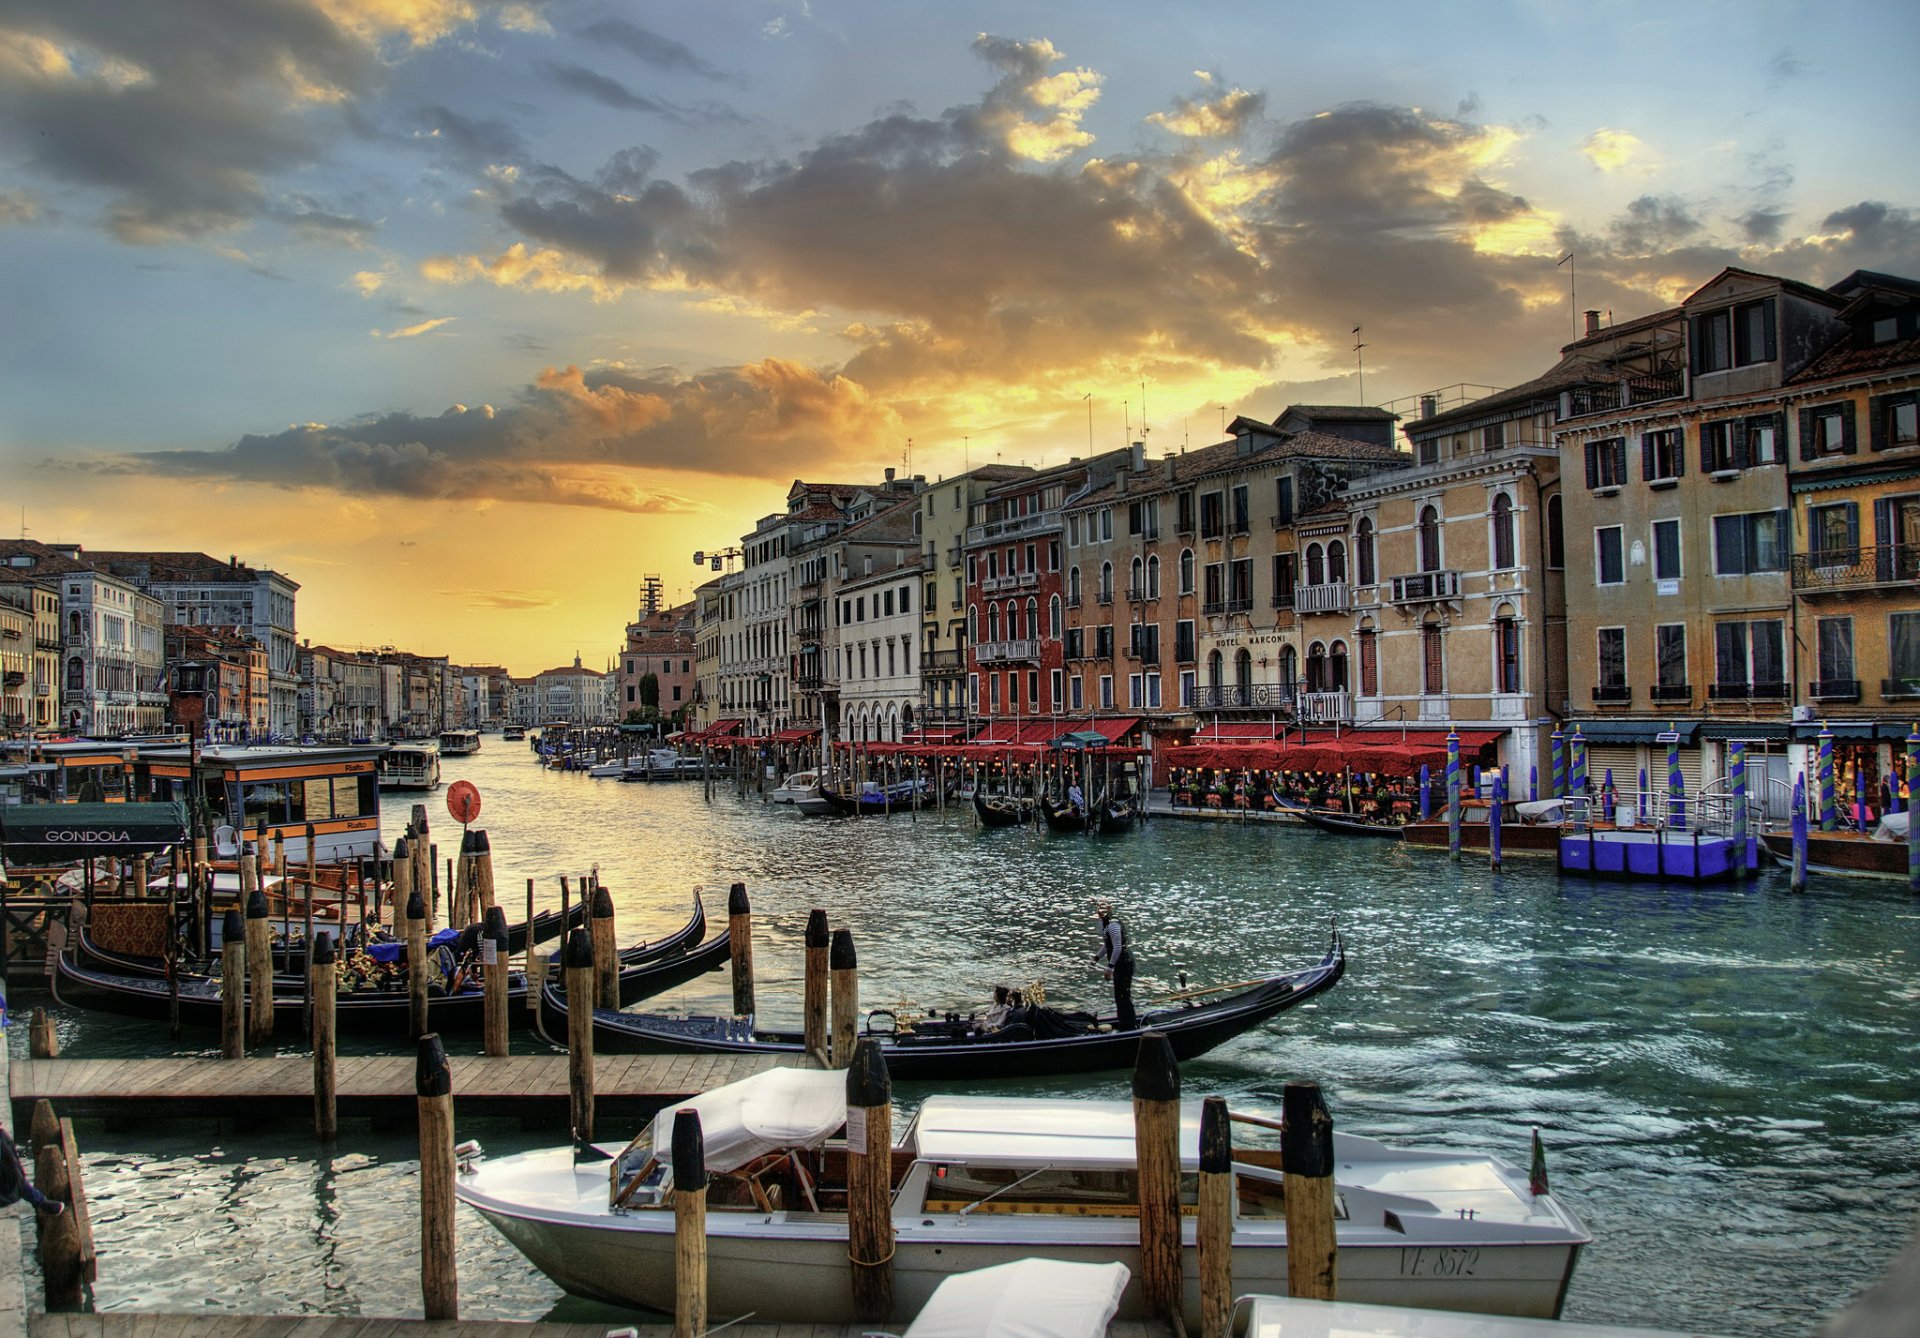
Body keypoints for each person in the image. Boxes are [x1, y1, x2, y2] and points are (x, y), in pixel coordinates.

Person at [0, 1123, 63, 1219]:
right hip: (15, 1189)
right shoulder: (3, 1136)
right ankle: (43, 1203)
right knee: (18, 1178)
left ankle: (43, 1203)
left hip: (6, 1195)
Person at [1092, 901, 1136, 1029]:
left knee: (1123, 995)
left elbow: (1117, 947)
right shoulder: (1105, 923)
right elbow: (1108, 944)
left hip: (1125, 963)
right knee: (1119, 995)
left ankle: (1128, 1025)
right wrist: (1096, 958)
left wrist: (1110, 967)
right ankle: (1124, 1021)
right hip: (1120, 963)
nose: (1100, 912)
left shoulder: (1113, 925)